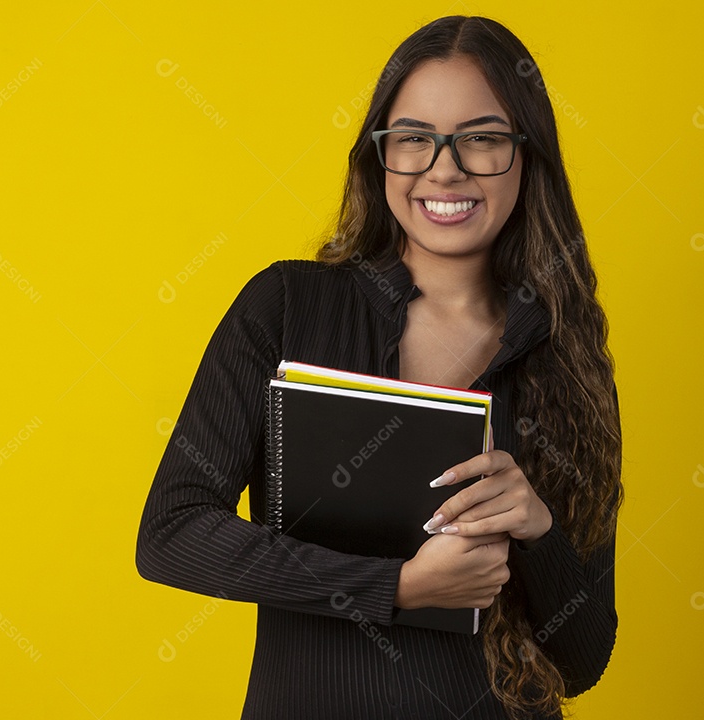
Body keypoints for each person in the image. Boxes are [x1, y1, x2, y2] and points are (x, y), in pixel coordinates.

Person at [135, 14, 623, 720]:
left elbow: (583, 662)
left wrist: (537, 529)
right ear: (379, 156)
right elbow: (172, 535)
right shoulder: (288, 306)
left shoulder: (569, 357)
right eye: (414, 138)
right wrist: (396, 586)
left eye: (481, 139)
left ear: (527, 156)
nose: (444, 168)